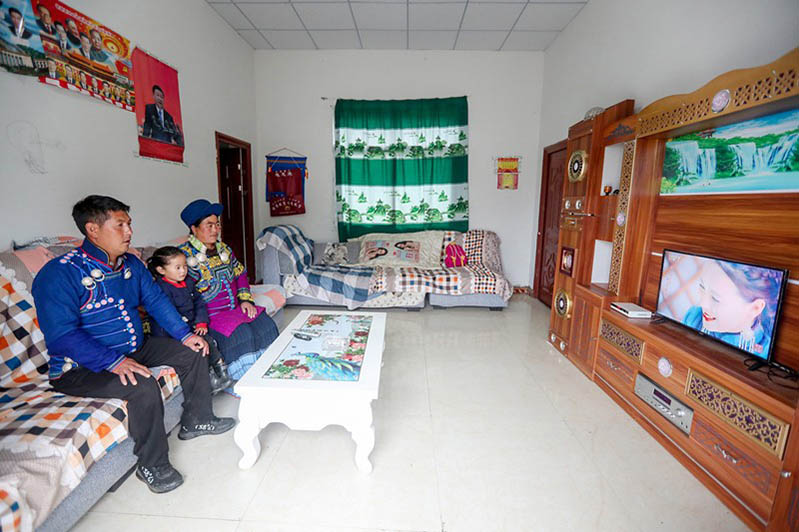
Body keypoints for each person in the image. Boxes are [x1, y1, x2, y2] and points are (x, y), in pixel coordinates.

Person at [31, 195, 235, 494]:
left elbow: (155, 300)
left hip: (133, 348)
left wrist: (184, 334)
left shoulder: (132, 264)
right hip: (82, 367)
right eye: (120, 225)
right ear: (93, 229)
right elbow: (61, 335)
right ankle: (152, 464)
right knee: (142, 383)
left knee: (193, 350)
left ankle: (197, 419)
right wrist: (112, 362)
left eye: (129, 224)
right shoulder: (59, 273)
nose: (129, 232)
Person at [178, 199, 279, 382]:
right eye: (209, 225)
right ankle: (245, 382)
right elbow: (182, 292)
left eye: (217, 224)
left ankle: (269, 376)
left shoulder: (224, 249)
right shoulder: (183, 256)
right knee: (242, 335)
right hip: (210, 315)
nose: (215, 230)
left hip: (234, 308)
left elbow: (240, 273)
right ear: (194, 228)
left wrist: (246, 300)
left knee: (266, 325)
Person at [146, 246, 233, 394]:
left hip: (191, 327)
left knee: (209, 341)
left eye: (185, 266)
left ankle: (221, 371)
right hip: (170, 334)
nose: (183, 271)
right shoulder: (160, 289)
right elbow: (167, 318)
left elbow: (199, 302)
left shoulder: (189, 282)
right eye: (178, 267)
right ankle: (209, 379)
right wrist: (185, 334)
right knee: (199, 348)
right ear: (161, 270)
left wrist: (201, 322)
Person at [682, 259, 783, 357]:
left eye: (715, 298)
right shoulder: (694, 317)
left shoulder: (764, 352)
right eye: (702, 287)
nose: (702, 303)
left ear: (755, 308)